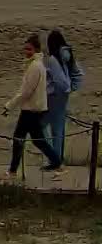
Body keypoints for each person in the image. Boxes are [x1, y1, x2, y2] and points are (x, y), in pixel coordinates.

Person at [4, 32, 63, 174]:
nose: (26, 52)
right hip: (35, 108)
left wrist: (9, 105)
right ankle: (56, 162)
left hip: (31, 109)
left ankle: (12, 170)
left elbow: (26, 91)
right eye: (25, 49)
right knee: (37, 139)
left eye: (29, 49)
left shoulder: (35, 67)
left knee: (19, 138)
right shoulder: (36, 65)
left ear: (36, 50)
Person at [48, 29, 83, 161]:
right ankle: (58, 158)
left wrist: (63, 89)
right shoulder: (68, 54)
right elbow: (78, 73)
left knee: (54, 128)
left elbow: (58, 80)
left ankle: (55, 159)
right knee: (59, 127)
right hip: (64, 96)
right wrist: (71, 87)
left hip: (56, 95)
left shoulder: (54, 58)